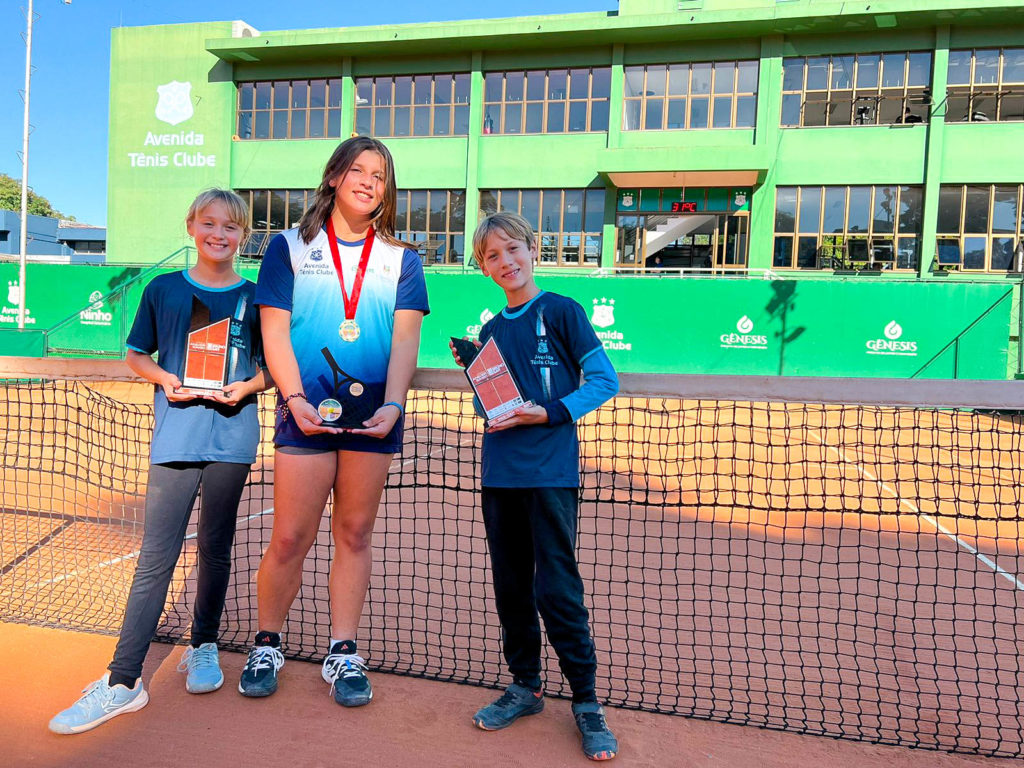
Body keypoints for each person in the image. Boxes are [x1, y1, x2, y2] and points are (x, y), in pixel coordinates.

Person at [49, 189, 270, 734]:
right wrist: (165, 379)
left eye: (232, 227)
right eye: (210, 224)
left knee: (216, 550)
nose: (220, 234)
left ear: (243, 235)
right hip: (175, 438)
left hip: (233, 441)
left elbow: (274, 368)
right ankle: (124, 681)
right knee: (156, 557)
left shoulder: (259, 297)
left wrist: (244, 386)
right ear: (191, 226)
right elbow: (135, 355)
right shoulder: (164, 289)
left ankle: (203, 646)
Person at [240, 136, 428, 707]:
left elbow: (404, 342)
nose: (369, 181)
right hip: (303, 413)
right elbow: (274, 330)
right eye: (358, 170)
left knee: (354, 534)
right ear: (333, 177)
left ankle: (343, 652)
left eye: (380, 175)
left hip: (376, 419)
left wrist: (393, 406)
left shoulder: (403, 259)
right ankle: (267, 642)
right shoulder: (288, 247)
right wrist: (293, 398)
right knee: (291, 536)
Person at [450, 212, 620, 761]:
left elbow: (603, 381)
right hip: (500, 475)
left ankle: (587, 702)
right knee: (511, 587)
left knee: (557, 589)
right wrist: (486, 389)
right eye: (492, 257)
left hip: (549, 474)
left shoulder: (563, 312)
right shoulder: (493, 331)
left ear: (532, 249)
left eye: (512, 249)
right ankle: (525, 685)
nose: (506, 262)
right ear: (483, 268)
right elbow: (493, 409)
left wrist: (544, 414)